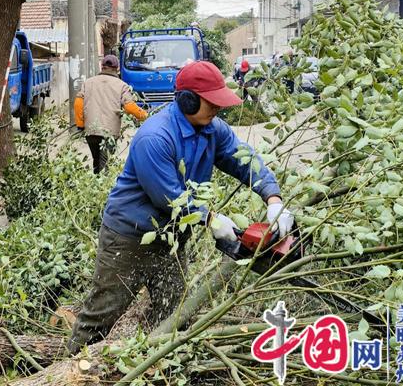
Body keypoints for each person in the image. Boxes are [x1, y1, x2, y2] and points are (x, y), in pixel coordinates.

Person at [67, 61, 294, 354]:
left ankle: (154, 362)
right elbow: (169, 197)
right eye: (211, 102)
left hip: (172, 239)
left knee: (174, 313)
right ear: (187, 99)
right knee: (103, 312)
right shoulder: (155, 137)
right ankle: (70, 368)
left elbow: (242, 158)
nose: (217, 109)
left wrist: (273, 198)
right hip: (128, 239)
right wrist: (211, 219)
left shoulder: (213, 129)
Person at [74, 55, 148, 174]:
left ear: (102, 66)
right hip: (109, 133)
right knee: (105, 164)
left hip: (91, 131)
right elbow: (129, 107)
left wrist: (80, 124)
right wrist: (146, 116)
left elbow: (78, 103)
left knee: (96, 160)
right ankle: (102, 188)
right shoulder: (121, 85)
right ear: (117, 69)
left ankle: (95, 184)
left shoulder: (88, 83)